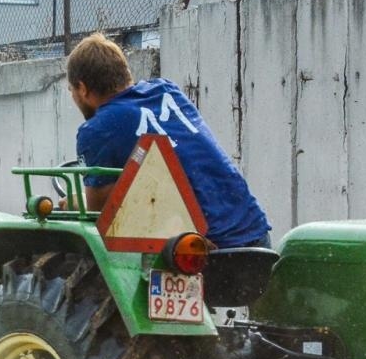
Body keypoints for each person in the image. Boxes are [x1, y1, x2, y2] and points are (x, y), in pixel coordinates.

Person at [65, 32, 271, 249]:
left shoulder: (97, 129)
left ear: (82, 88)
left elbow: (100, 214)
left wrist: (73, 202)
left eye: (72, 90)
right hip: (255, 236)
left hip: (200, 251)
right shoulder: (167, 91)